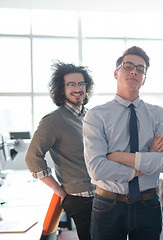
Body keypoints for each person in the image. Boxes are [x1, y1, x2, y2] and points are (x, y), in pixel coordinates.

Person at [83, 46, 163, 240]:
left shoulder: (159, 115)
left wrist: (117, 157)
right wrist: (142, 164)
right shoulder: (96, 115)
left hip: (148, 204)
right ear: (116, 73)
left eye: (140, 69)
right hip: (108, 205)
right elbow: (97, 169)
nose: (134, 71)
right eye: (128, 66)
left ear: (144, 79)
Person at [25, 61, 95, 240]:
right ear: (60, 88)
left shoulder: (89, 117)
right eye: (71, 84)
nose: (77, 88)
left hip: (100, 194)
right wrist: (59, 191)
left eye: (81, 83)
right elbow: (33, 158)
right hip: (80, 199)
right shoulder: (54, 120)